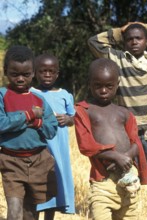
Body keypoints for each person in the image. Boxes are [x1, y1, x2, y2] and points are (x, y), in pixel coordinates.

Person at [88, 22, 147, 219]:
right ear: (124, 42)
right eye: (129, 39)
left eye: (139, 38)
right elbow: (94, 42)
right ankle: (119, 210)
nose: (134, 42)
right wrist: (119, 31)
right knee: (121, 174)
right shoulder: (117, 59)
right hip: (126, 131)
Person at [74, 58, 147, 220]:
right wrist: (115, 156)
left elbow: (136, 141)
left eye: (109, 86)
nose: (103, 90)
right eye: (98, 86)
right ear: (90, 84)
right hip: (103, 181)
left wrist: (127, 157)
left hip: (128, 176)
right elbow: (86, 145)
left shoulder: (124, 113)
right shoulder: (84, 111)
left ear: (117, 84)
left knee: (130, 215)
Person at [0, 45, 58, 220]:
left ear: (33, 73)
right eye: (14, 74)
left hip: (38, 160)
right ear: (5, 72)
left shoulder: (39, 100)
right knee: (14, 210)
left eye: (25, 74)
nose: (20, 79)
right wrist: (28, 116)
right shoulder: (2, 95)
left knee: (31, 212)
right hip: (11, 161)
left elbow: (51, 129)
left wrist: (39, 122)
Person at [30, 54, 75, 219]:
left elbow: (74, 118)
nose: (47, 75)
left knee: (54, 183)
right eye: (43, 71)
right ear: (35, 73)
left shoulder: (65, 95)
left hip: (59, 149)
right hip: (38, 147)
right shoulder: (31, 93)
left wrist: (68, 119)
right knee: (36, 184)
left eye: (51, 71)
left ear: (57, 73)